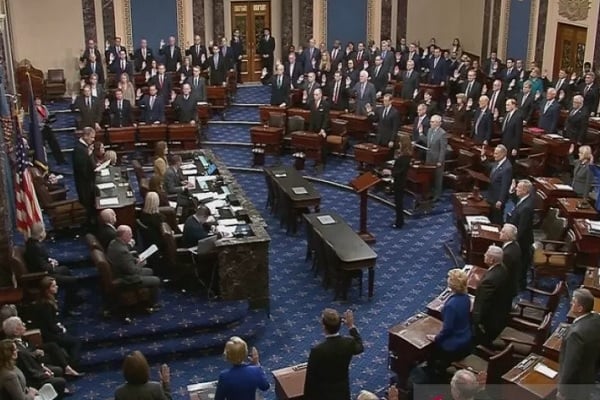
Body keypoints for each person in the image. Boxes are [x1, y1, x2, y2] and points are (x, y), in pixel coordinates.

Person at [2, 317, 72, 398]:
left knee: (57, 364)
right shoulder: (16, 352)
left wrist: (43, 367)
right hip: (32, 379)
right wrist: (43, 374)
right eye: (21, 324)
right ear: (15, 331)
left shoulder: (23, 340)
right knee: (60, 381)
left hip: (36, 368)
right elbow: (28, 371)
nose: (24, 325)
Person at [304, 309, 364, 400]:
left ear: (324, 327)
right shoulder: (349, 342)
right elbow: (360, 347)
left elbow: (310, 379)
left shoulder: (318, 350)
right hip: (343, 390)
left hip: (323, 393)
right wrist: (351, 326)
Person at [425, 269, 472, 379]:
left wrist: (436, 338)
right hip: (466, 337)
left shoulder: (451, 305)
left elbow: (447, 329)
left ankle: (434, 374)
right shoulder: (466, 298)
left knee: (430, 348)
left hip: (453, 344)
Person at [557, 288, 600, 400]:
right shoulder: (596, 318)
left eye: (573, 301)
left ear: (580, 308)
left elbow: (570, 365)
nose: (571, 303)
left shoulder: (576, 334)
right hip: (589, 376)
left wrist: (562, 390)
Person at [106, 226, 161, 306]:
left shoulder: (114, 243)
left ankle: (145, 297)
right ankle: (150, 304)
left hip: (120, 272)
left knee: (150, 271)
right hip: (126, 279)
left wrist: (135, 260)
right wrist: (140, 264)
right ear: (124, 236)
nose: (132, 236)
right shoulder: (122, 251)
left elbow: (126, 256)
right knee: (156, 280)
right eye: (130, 234)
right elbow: (132, 271)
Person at [34, 277, 82, 367]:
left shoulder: (49, 300)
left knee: (69, 337)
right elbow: (50, 325)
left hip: (52, 331)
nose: (57, 287)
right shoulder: (46, 305)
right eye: (53, 286)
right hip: (49, 335)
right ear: (47, 290)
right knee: (76, 342)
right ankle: (73, 366)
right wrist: (61, 330)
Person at [472, 246, 511, 346]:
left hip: (490, 321)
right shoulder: (502, 268)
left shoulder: (489, 281)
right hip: (501, 311)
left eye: (486, 255)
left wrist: (476, 320)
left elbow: (483, 303)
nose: (484, 255)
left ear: (492, 260)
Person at [507, 179, 534, 289]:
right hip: (518, 238)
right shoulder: (524, 200)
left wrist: (513, 241)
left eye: (518, 187)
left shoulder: (527, 207)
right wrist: (511, 191)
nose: (516, 188)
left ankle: (521, 286)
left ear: (525, 190)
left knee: (521, 264)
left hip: (522, 242)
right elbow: (517, 203)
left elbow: (522, 228)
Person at [480, 145, 512, 224]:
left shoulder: (507, 168)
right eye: (494, 153)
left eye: (496, 154)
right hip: (491, 195)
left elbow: (505, 186)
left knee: (496, 219)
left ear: (503, 154)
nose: (494, 155)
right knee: (491, 216)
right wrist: (484, 158)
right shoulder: (498, 162)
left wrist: (500, 200)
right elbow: (490, 166)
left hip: (497, 199)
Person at [72, 127, 96, 226]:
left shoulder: (84, 147)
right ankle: (89, 225)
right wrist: (89, 156)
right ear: (85, 136)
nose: (93, 139)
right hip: (84, 184)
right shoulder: (79, 149)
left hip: (87, 182)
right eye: (92, 137)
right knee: (87, 205)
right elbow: (82, 169)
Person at [420, 115, 447, 201]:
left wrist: (440, 160)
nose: (430, 123)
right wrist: (420, 134)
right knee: (430, 177)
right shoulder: (429, 130)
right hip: (429, 157)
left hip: (437, 159)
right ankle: (430, 193)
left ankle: (437, 195)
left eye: (432, 122)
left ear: (438, 123)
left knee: (437, 178)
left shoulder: (443, 134)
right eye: (430, 121)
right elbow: (428, 142)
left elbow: (443, 149)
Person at [33, 97, 64, 165]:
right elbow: (34, 120)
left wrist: (49, 120)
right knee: (42, 146)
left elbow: (47, 116)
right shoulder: (33, 109)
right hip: (40, 129)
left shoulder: (44, 107)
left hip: (47, 127)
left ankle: (60, 160)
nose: (38, 101)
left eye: (39, 99)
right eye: (37, 100)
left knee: (54, 143)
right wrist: (42, 123)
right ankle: (43, 162)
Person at [391, 135, 411, 229]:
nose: (399, 143)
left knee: (399, 203)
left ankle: (399, 223)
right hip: (399, 181)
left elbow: (400, 171)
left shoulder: (404, 157)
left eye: (400, 142)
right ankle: (400, 221)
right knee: (398, 203)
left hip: (399, 182)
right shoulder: (404, 155)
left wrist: (390, 172)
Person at [499, 223, 522, 297]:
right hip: (512, 284)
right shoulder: (514, 244)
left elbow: (502, 274)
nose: (500, 233)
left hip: (506, 289)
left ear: (508, 236)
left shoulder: (507, 254)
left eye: (502, 232)